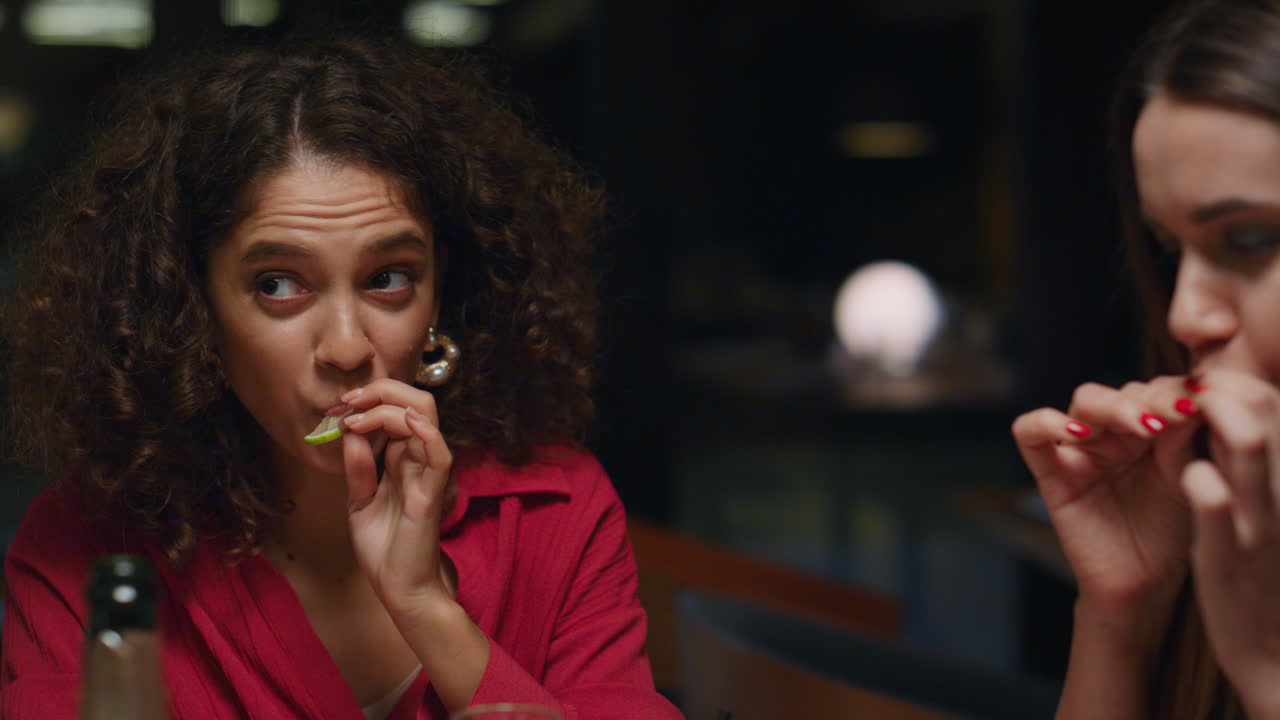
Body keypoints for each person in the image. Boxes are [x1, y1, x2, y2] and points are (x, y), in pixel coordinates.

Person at [0, 33, 682, 720]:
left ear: (437, 292)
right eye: (278, 284)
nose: (348, 348)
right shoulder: (88, 545)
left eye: (388, 278)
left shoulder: (555, 511)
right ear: (194, 306)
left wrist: (424, 605)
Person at [1013, 1, 1280, 717]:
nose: (1184, 315)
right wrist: (1121, 609)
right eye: (1170, 251)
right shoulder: (1231, 534)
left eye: (1251, 239)